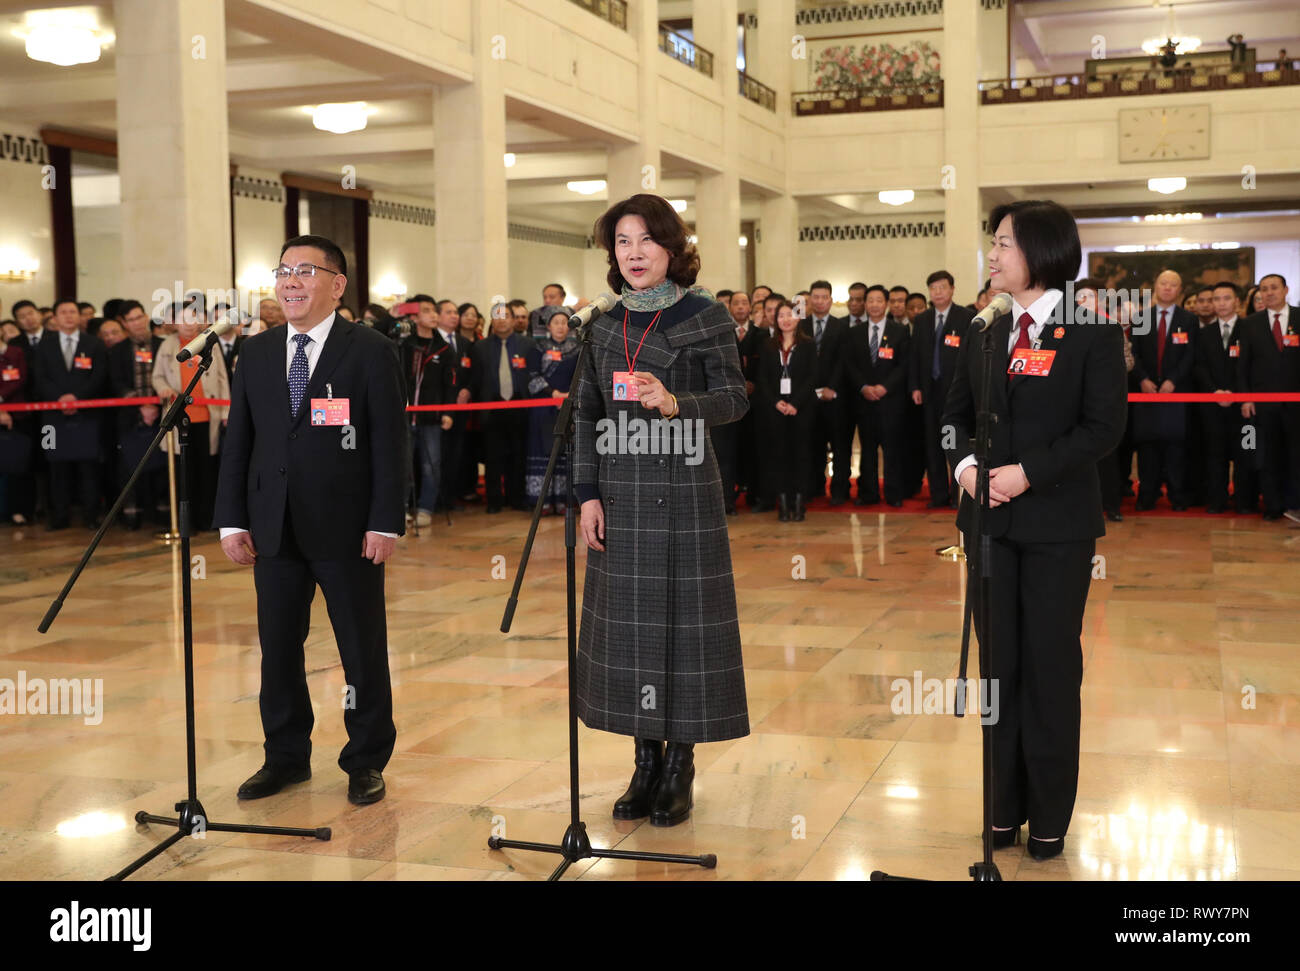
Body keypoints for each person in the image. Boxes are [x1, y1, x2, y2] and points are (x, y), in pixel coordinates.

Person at [942, 199, 1127, 861]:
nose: (993, 256)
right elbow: (952, 414)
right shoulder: (984, 325)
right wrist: (966, 466)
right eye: (993, 243)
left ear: (1043, 252)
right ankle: (1002, 807)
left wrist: (1026, 472)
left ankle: (1048, 815)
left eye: (1004, 244)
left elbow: (1103, 429)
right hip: (986, 523)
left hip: (1055, 525)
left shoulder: (1090, 330)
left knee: (1049, 669)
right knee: (1000, 669)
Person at [574, 192, 750, 827]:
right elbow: (587, 414)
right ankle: (643, 761)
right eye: (622, 242)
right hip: (619, 497)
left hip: (683, 495)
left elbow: (734, 399)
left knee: (682, 631)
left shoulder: (705, 316)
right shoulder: (602, 323)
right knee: (630, 636)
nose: (634, 252)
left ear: (672, 249)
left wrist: (680, 404)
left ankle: (680, 763)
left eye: (646, 240)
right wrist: (587, 494)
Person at [214, 234, 408, 806]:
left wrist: (385, 521)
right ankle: (285, 757)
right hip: (272, 527)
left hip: (348, 528)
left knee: (361, 649)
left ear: (337, 284)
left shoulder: (370, 349)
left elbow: (388, 443)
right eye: (283, 271)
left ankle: (366, 759)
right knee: (277, 648)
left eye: (304, 271)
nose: (290, 281)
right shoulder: (257, 351)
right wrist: (231, 518)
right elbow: (239, 441)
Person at [31, 298, 109, 530]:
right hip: (53, 418)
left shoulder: (93, 343)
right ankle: (59, 516)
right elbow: (40, 377)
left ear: (79, 316)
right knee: (56, 468)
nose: (68, 316)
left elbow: (99, 376)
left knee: (89, 468)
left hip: (85, 415)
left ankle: (91, 516)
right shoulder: (44, 344)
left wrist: (77, 397)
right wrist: (60, 399)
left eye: (72, 312)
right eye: (63, 312)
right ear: (54, 317)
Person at [152, 300, 229, 532]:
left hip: (208, 415)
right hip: (178, 418)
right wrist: (163, 389)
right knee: (183, 471)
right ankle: (186, 523)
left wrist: (227, 410)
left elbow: (223, 378)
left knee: (206, 471)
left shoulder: (210, 343)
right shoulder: (167, 345)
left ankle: (207, 519)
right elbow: (157, 377)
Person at [1236, 273, 1300, 521]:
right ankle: (1273, 505)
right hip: (1263, 403)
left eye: (1274, 287)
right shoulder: (1250, 323)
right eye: (1264, 289)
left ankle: (1295, 504)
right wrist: (1246, 398)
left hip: (1296, 403)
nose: (1269, 292)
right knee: (1268, 455)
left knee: (1296, 455)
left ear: (1286, 289)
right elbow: (1243, 366)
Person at [1131, 269, 1196, 510]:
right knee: (1147, 447)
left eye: (1173, 284)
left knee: (1176, 447)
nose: (1168, 288)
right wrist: (1143, 379)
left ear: (1180, 290)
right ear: (1156, 288)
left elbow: (1190, 355)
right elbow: (1133, 353)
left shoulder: (1189, 319)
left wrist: (1174, 380)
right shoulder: (1141, 317)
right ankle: (1147, 495)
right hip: (1146, 392)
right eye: (1163, 283)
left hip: (1175, 393)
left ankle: (1177, 496)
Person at [909, 270, 975, 508]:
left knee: (956, 443)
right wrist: (915, 386)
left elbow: (971, 357)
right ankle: (938, 495)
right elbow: (915, 356)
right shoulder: (922, 319)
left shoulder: (966, 317)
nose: (937, 292)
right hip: (929, 392)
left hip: (956, 394)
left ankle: (958, 495)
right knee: (933, 444)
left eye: (942, 287)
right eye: (933, 288)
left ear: (952, 289)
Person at [844, 285, 910, 506]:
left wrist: (885, 387)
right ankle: (868, 494)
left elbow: (903, 365)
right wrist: (863, 387)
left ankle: (894, 494)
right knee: (868, 450)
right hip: (864, 402)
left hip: (890, 401)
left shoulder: (899, 331)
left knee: (892, 449)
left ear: (886, 303)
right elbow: (849, 364)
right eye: (870, 300)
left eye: (878, 300)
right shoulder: (854, 332)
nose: (874, 305)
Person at [1196, 282, 1257, 514]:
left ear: (1237, 302)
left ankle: (1244, 501)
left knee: (1245, 453)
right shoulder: (1204, 333)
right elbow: (1199, 367)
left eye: (1226, 298)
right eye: (1217, 299)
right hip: (1214, 405)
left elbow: (1252, 366)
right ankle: (1217, 501)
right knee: (1215, 455)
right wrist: (1215, 392)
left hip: (1243, 406)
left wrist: (1239, 394)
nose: (1221, 303)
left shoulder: (1250, 329)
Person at [472, 301, 538, 512]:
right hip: (492, 406)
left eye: (506, 316)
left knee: (518, 455)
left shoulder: (527, 344)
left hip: (520, 404)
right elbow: (476, 380)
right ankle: (494, 501)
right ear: (493, 320)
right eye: (497, 316)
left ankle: (516, 498)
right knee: (493, 457)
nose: (502, 320)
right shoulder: (480, 347)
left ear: (512, 319)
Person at [755, 299, 816, 521]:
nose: (786, 320)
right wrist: (776, 402)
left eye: (790, 315)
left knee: (800, 455)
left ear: (797, 318)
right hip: (775, 409)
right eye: (781, 316)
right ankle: (782, 502)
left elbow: (811, 377)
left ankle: (799, 502)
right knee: (778, 455)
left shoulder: (808, 345)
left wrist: (795, 403)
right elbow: (762, 378)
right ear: (775, 319)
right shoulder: (768, 345)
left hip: (801, 409)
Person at [524, 306, 578, 510]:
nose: (560, 327)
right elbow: (532, 376)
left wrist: (568, 395)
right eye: (556, 322)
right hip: (543, 408)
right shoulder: (537, 348)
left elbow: (580, 376)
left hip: (568, 407)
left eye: (564, 322)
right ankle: (543, 502)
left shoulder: (578, 349)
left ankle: (565, 500)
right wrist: (552, 393)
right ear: (548, 326)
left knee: (566, 452)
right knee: (543, 451)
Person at [800, 280, 848, 505]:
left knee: (839, 445)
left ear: (831, 300)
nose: (820, 301)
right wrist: (811, 390)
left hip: (835, 396)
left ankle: (839, 490)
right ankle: (814, 486)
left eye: (824, 297)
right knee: (812, 444)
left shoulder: (842, 326)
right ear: (810, 300)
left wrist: (832, 388)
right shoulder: (800, 325)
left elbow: (843, 361)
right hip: (808, 396)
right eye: (815, 297)